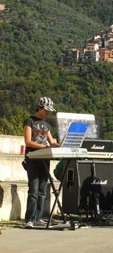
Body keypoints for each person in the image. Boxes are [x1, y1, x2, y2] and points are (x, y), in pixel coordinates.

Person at [23, 97, 60, 228]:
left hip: (44, 158)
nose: (47, 113)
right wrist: (44, 147)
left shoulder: (46, 125)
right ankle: (29, 219)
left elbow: (51, 141)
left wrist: (58, 145)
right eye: (46, 110)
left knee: (42, 189)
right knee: (33, 189)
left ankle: (38, 217)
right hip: (32, 158)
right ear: (40, 107)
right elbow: (28, 141)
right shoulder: (30, 121)